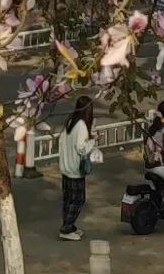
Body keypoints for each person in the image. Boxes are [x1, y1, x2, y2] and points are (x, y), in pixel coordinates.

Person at [60, 97, 98, 239]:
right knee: (78, 200)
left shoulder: (71, 121)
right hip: (75, 169)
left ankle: (69, 225)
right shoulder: (81, 125)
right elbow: (82, 149)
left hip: (65, 166)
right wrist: (93, 141)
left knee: (68, 199)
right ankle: (66, 229)